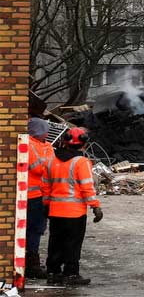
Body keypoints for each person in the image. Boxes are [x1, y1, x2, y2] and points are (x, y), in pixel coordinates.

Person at [41, 127, 103, 286]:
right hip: (74, 213)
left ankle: (53, 272)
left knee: (55, 242)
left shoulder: (51, 160)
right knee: (73, 244)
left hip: (55, 211)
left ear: (64, 142)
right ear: (83, 144)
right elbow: (87, 187)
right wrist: (95, 206)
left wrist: (46, 205)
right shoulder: (81, 162)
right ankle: (71, 274)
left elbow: (46, 186)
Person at [27, 118, 55, 279]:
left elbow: (51, 166)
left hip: (43, 195)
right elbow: (37, 168)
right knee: (34, 230)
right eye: (45, 130)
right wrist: (48, 166)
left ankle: (31, 259)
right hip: (32, 196)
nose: (47, 133)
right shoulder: (28, 145)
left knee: (37, 230)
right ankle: (31, 262)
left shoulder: (47, 145)